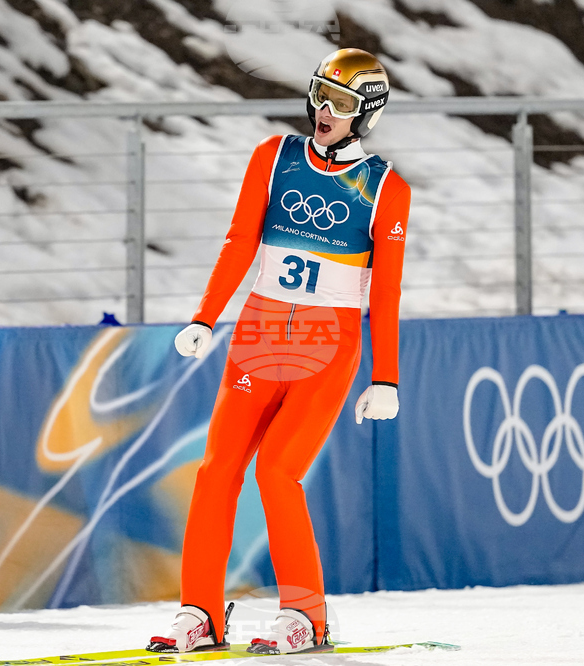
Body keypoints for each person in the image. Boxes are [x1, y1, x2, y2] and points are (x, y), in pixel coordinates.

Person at [147, 48, 411, 655]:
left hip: (327, 347)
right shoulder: (274, 158)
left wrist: (386, 378)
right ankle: (200, 613)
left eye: (341, 103)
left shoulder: (385, 188)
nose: (324, 109)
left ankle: (308, 616)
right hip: (258, 337)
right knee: (216, 471)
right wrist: (205, 316)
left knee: (277, 472)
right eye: (320, 93)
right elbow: (241, 239)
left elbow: (387, 293)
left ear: (365, 114)